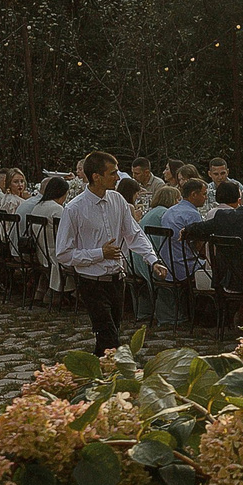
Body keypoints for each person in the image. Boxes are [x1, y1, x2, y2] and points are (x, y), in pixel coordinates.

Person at [56, 151, 166, 353]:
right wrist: (100, 253)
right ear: (96, 177)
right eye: (113, 173)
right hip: (92, 282)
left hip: (117, 280)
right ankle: (114, 369)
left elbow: (134, 234)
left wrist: (153, 260)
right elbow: (63, 253)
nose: (118, 178)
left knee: (108, 336)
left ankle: (100, 370)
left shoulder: (117, 200)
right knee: (109, 337)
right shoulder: (74, 208)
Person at [182, 178, 243, 315]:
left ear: (240, 201)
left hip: (223, 278)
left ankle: (238, 315)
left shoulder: (222, 217)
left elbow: (200, 228)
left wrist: (186, 230)